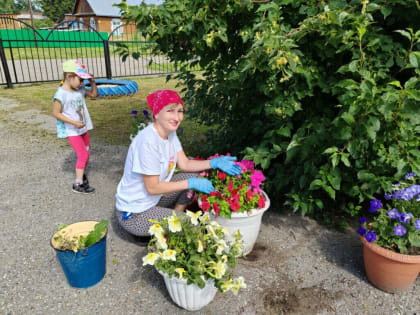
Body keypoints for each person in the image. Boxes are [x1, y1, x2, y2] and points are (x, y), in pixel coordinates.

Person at [115, 89, 242, 237]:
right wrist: (190, 183)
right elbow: (152, 187)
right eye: (170, 111)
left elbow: (185, 164)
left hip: (153, 201)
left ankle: (175, 215)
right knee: (191, 225)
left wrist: (214, 163)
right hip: (135, 213)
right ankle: (171, 228)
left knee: (195, 176)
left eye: (180, 111)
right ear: (156, 114)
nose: (177, 117)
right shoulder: (147, 142)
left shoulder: (169, 132)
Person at [52, 60, 98, 194]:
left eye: (84, 81)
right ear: (69, 77)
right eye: (80, 80)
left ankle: (81, 174)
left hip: (82, 128)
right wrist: (74, 123)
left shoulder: (80, 90)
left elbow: (94, 95)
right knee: (82, 154)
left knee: (87, 152)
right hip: (72, 130)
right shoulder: (61, 94)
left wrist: (93, 82)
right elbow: (55, 113)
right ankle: (77, 184)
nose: (83, 83)